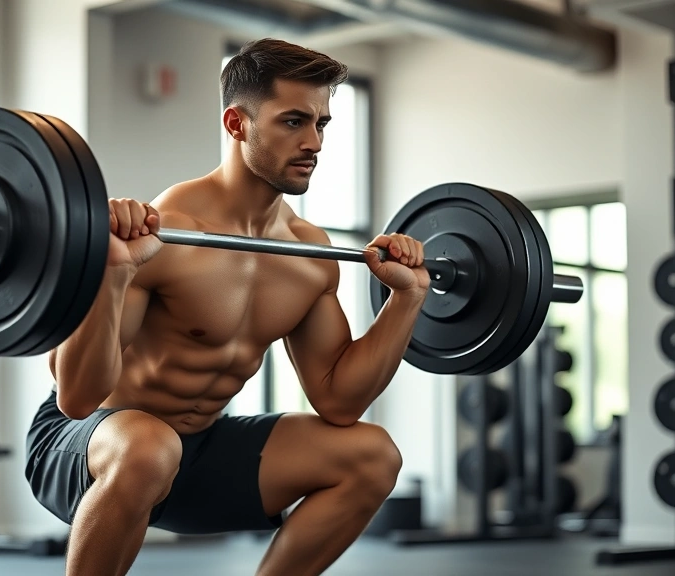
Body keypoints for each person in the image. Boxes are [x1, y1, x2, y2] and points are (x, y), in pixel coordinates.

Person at [25, 38, 430, 576]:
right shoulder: (169, 233)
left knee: (372, 455)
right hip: (86, 446)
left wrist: (407, 298)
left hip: (196, 452)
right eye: (293, 121)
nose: (313, 142)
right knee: (149, 446)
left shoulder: (308, 253)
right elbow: (76, 398)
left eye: (321, 124)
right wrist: (113, 273)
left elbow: (339, 402)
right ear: (237, 124)